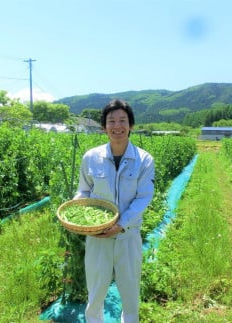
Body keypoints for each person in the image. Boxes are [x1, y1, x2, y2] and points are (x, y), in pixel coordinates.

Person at [73, 99, 155, 323]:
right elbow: (83, 191)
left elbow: (143, 197)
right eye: (111, 121)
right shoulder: (91, 157)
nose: (117, 126)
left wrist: (121, 224)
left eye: (122, 120)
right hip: (97, 237)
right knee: (96, 292)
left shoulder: (144, 160)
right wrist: (81, 215)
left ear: (131, 125)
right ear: (104, 126)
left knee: (130, 294)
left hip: (127, 236)